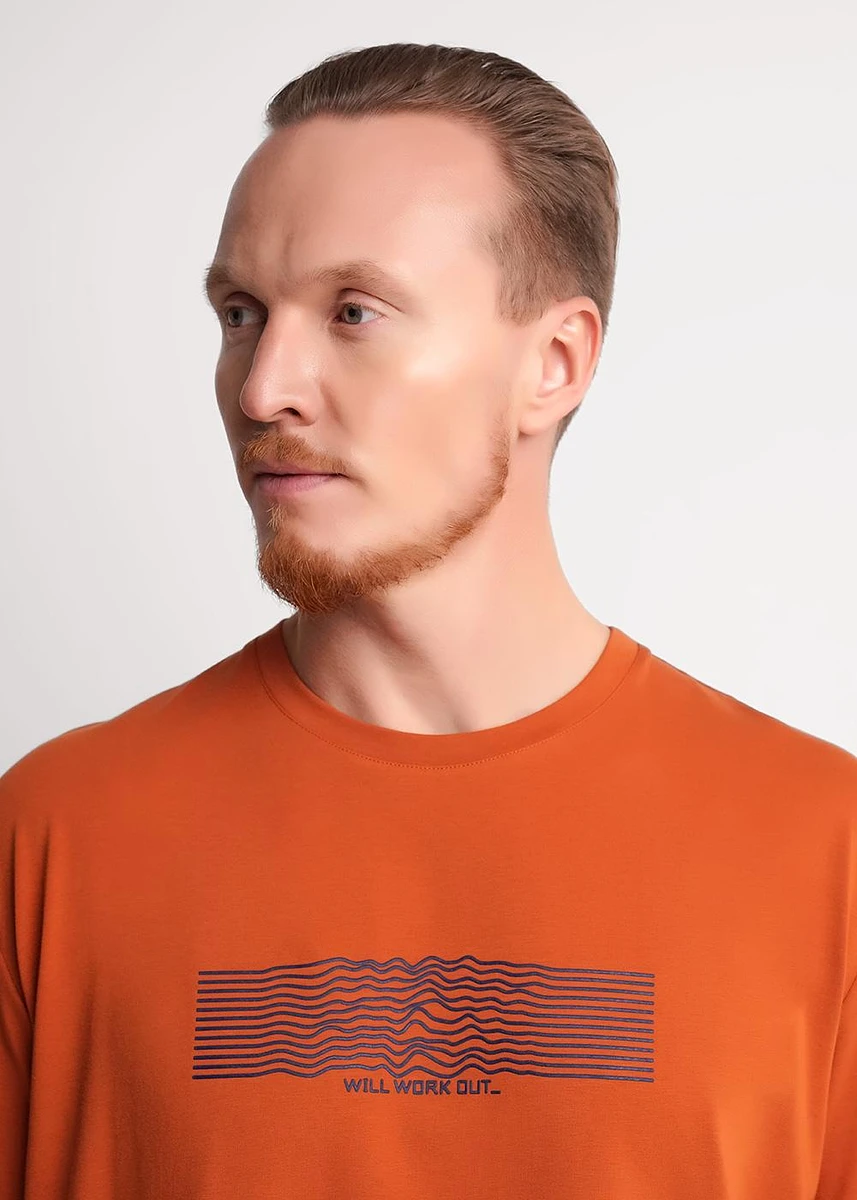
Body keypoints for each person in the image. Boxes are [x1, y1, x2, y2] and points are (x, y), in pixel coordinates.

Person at [1, 41, 855, 1200]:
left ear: (552, 363)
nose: (261, 388)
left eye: (353, 311)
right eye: (241, 312)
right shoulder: (58, 836)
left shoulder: (820, 851)